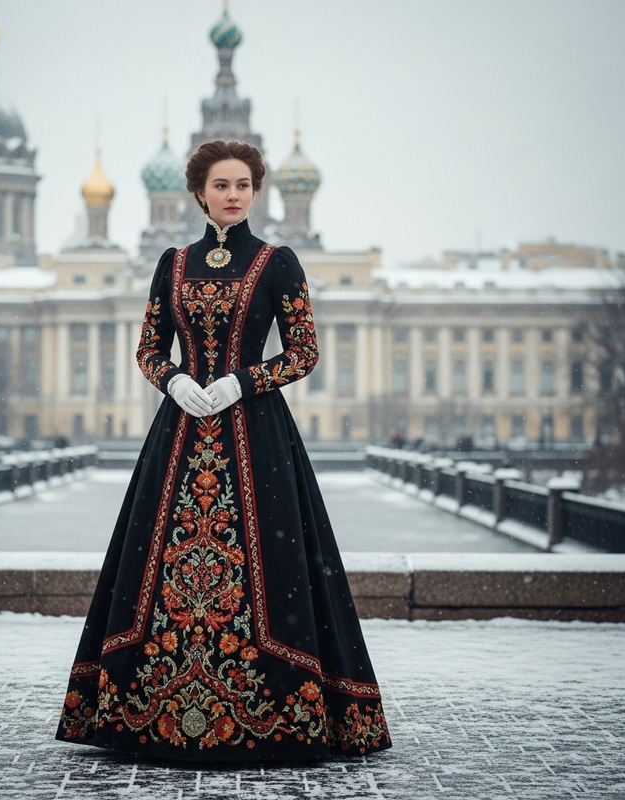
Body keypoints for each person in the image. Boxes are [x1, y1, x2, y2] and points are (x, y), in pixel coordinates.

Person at [56, 140, 391, 762]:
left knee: (270, 565)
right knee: (159, 561)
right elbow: (149, 347)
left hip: (256, 433)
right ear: (198, 193)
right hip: (181, 429)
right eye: (220, 185)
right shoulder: (173, 263)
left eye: (243, 185)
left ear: (256, 192)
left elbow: (304, 353)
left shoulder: (277, 261)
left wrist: (242, 380)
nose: (232, 195)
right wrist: (175, 380)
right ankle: (151, 711)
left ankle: (275, 712)